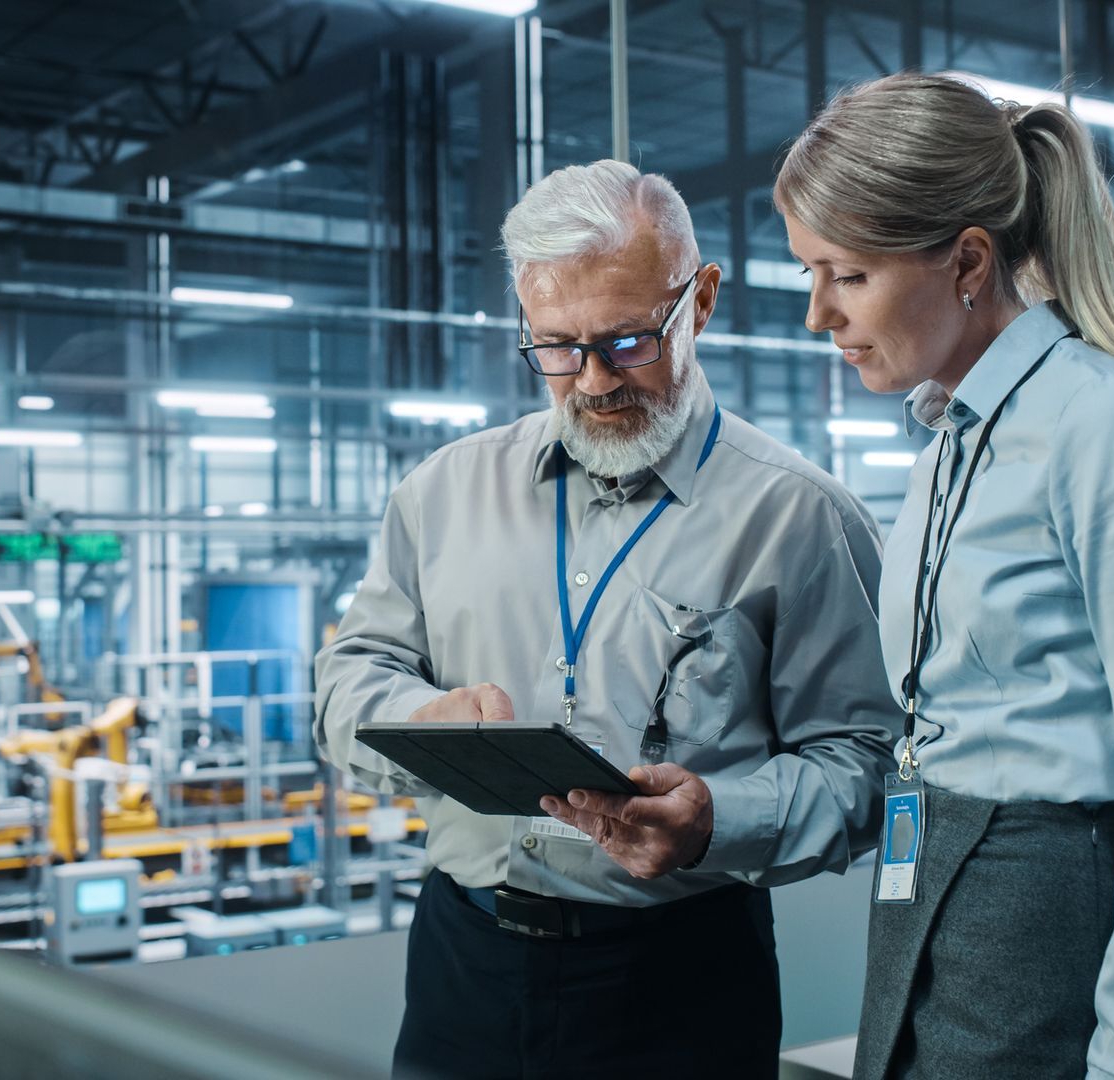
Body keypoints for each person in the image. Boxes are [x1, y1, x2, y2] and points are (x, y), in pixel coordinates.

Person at [314, 159, 899, 1079]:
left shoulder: (800, 518)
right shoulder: (442, 494)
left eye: (628, 342)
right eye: (555, 346)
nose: (591, 381)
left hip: (682, 980)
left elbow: (870, 766)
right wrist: (415, 722)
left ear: (698, 303)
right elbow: (350, 677)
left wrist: (718, 821)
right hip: (466, 967)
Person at [773, 72, 1114, 1079]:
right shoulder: (947, 447)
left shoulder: (1109, 429)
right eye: (809, 273)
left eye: (848, 275)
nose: (819, 314)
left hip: (1047, 919)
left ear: (966, 261)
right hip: (933, 901)